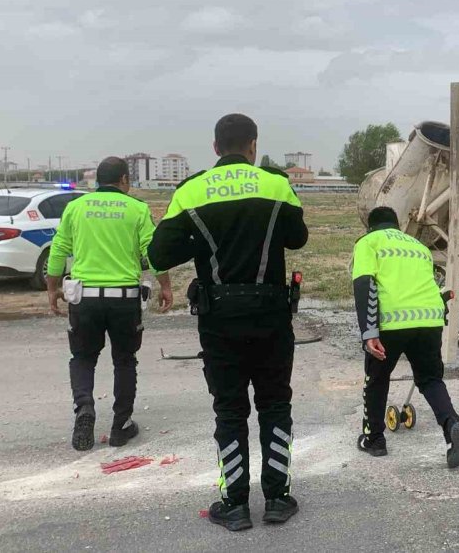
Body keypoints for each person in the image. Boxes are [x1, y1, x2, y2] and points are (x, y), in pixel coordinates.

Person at [148, 114, 308, 532]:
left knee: (230, 409)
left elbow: (160, 254)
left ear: (216, 148)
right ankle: (277, 498)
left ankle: (234, 504)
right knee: (275, 404)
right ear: (253, 145)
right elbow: (298, 238)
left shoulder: (191, 190)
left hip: (220, 319)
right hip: (272, 313)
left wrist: (199, 240)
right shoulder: (276, 184)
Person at [47, 156, 173, 452]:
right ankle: (121, 425)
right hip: (123, 299)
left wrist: (52, 289)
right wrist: (165, 286)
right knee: (125, 360)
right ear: (125, 180)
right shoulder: (138, 209)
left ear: (97, 181)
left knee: (82, 358)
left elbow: (59, 249)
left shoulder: (75, 208)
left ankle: (84, 409)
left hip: (84, 298)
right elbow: (152, 253)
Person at [352, 206, 459, 469]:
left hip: (392, 323)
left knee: (377, 379)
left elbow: (365, 285)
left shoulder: (368, 243)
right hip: (429, 319)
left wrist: (369, 332)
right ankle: (452, 427)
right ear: (397, 225)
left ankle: (374, 439)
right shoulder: (418, 246)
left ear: (370, 226)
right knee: (430, 379)